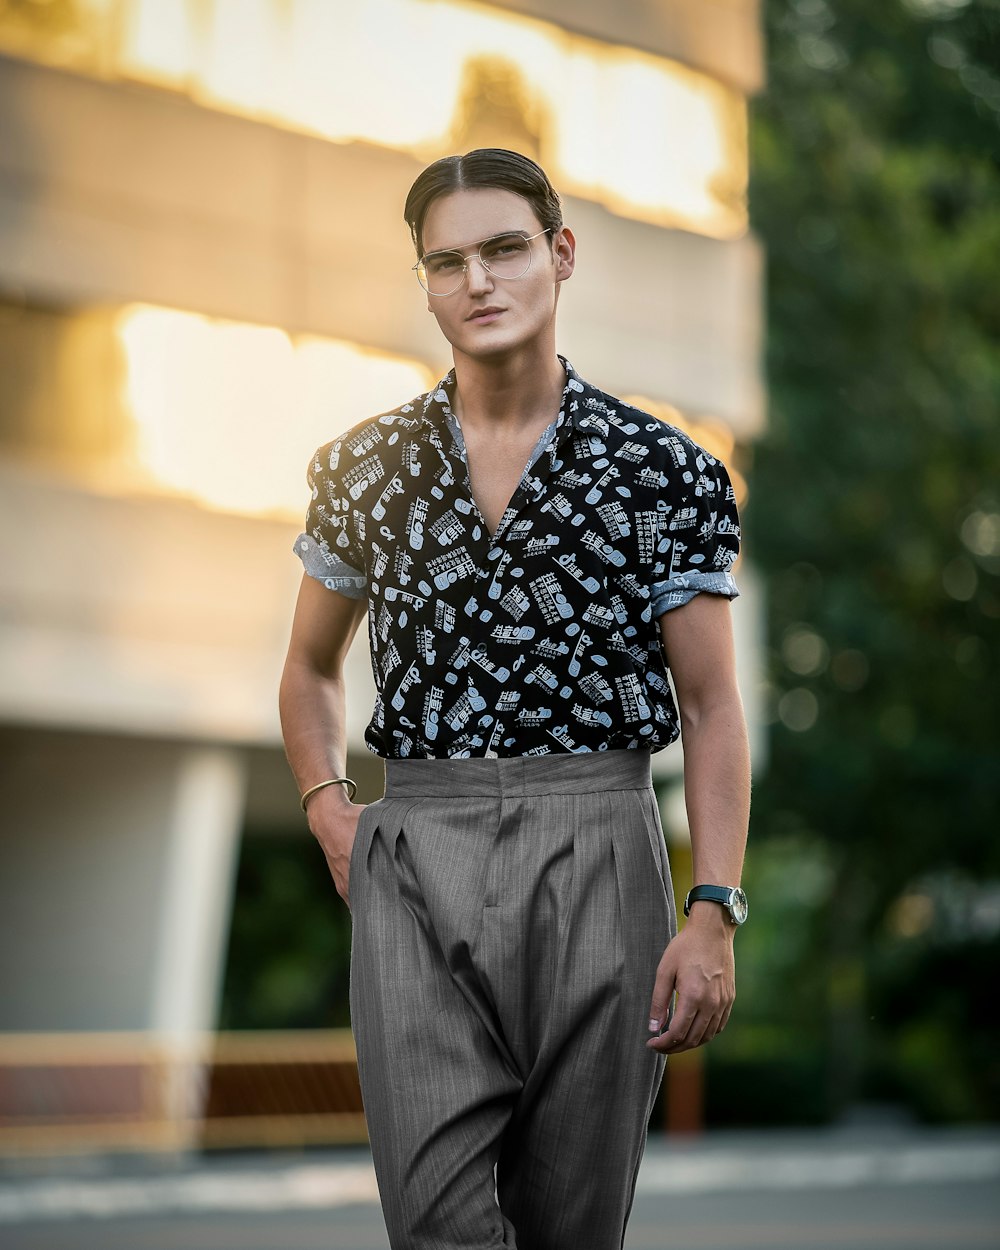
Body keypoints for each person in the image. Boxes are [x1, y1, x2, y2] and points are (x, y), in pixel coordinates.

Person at [279, 147, 751, 1250]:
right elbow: (307, 667)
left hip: (600, 842)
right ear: (426, 284)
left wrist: (712, 906)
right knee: (435, 1221)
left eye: (503, 248)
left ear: (560, 254)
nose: (477, 282)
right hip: (415, 850)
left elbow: (713, 704)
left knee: (569, 1225)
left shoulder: (662, 470)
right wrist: (326, 803)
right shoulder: (367, 467)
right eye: (446, 263)